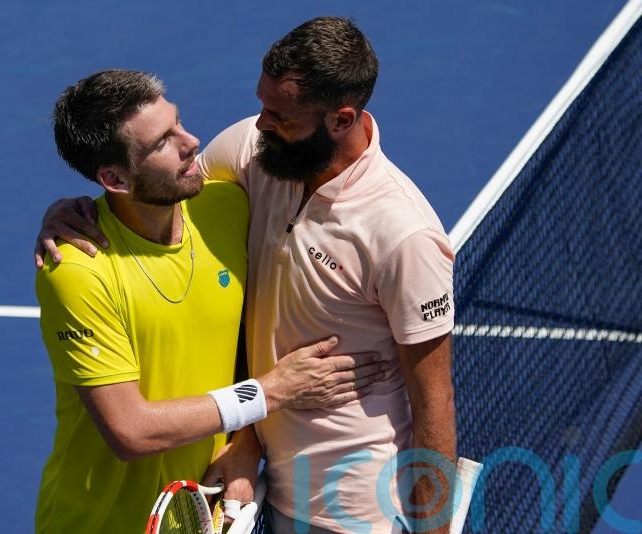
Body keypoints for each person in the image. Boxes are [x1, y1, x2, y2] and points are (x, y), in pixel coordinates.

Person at [36, 18, 456, 534]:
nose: (257, 125)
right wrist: (71, 211)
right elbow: (150, 193)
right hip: (252, 489)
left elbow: (434, 402)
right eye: (262, 105)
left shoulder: (402, 235)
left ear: (341, 120)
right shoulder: (247, 165)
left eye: (279, 115)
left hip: (350, 508)